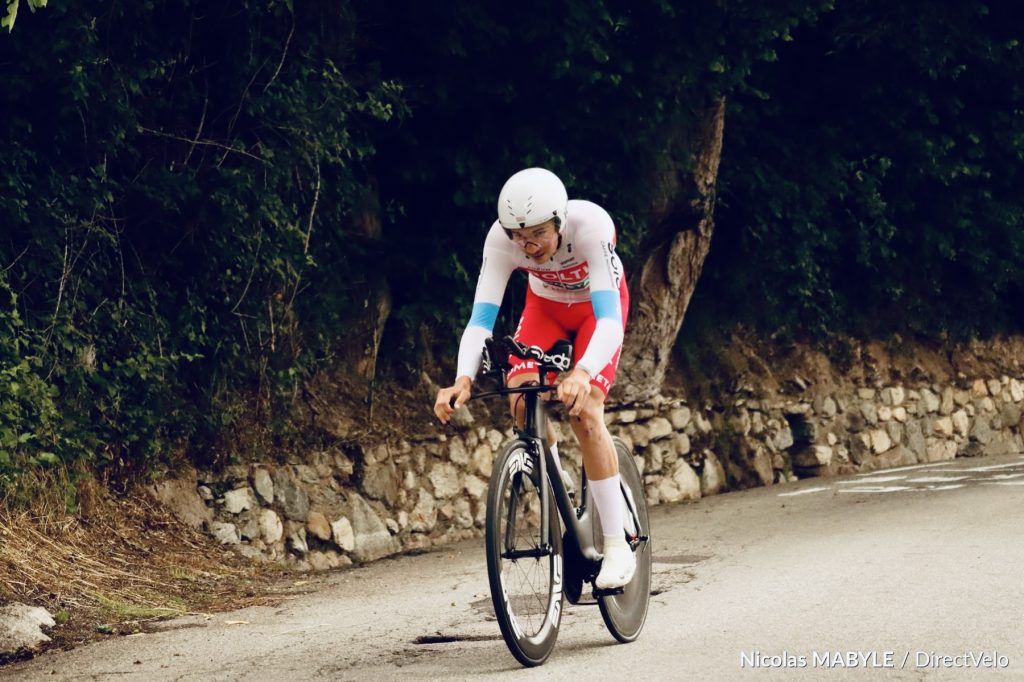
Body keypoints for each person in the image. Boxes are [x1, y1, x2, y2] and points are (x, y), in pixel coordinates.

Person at [433, 167, 634, 589]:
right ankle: (561, 489)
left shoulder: (590, 226)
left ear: (560, 222)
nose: (528, 246)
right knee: (522, 400)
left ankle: (616, 544)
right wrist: (462, 380)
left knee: (584, 410)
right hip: (543, 310)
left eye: (539, 234)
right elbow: (481, 319)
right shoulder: (500, 240)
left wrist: (581, 372)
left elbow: (610, 321)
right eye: (518, 236)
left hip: (596, 312)